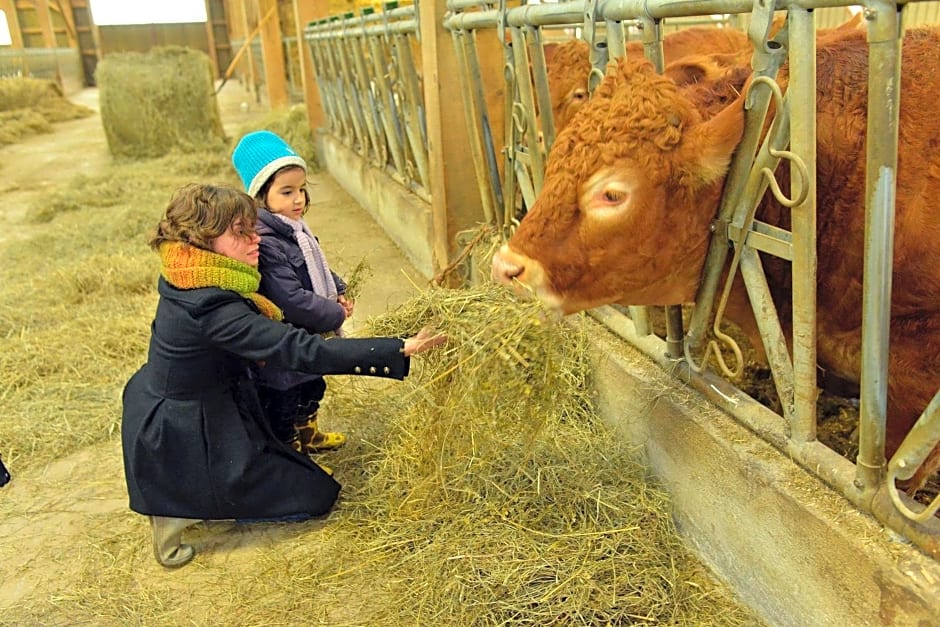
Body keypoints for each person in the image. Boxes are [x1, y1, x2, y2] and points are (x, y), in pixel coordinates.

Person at [121, 184, 445, 568]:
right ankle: (175, 510)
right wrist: (396, 348)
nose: (254, 238)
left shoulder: (188, 271)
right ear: (202, 239)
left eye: (251, 227)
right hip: (188, 430)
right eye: (239, 232)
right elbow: (301, 350)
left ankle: (196, 489)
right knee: (315, 496)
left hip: (190, 400)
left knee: (291, 468)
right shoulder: (212, 307)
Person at [232, 130, 351, 456]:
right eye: (286, 192)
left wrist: (338, 290)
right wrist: (335, 313)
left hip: (304, 341)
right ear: (260, 195)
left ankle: (309, 435)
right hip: (283, 348)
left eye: (301, 189)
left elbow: (317, 267)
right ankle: (294, 457)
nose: (298, 199)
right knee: (285, 402)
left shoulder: (295, 230)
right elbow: (291, 300)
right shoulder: (267, 241)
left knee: (313, 387)